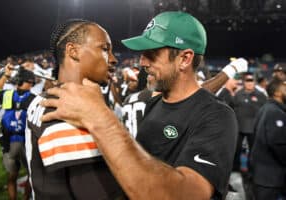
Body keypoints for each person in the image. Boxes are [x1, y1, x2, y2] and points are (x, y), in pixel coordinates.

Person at [41, 11, 239, 199]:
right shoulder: (152, 105)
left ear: (185, 59)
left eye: (151, 54)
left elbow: (187, 194)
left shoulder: (217, 115)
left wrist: (101, 118)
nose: (142, 62)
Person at [25, 19, 123, 199]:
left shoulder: (46, 99)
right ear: (73, 51)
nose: (113, 59)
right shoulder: (68, 112)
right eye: (104, 49)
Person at [0, 65, 34, 200]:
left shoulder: (7, 95)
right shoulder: (33, 98)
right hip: (26, 143)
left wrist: (6, 76)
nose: (32, 85)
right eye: (30, 82)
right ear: (26, 82)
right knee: (31, 177)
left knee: (12, 176)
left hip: (9, 143)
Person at [250, 79, 286, 200]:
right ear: (277, 93)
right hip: (270, 176)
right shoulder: (275, 112)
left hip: (263, 174)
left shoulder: (267, 108)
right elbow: (277, 144)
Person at [232, 72, 267, 173]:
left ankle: (252, 170)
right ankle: (235, 170)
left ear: (255, 82)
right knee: (236, 150)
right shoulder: (238, 94)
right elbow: (233, 108)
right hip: (239, 126)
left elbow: (265, 110)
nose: (249, 83)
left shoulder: (261, 96)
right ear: (244, 82)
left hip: (254, 127)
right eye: (247, 80)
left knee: (254, 151)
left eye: (251, 80)